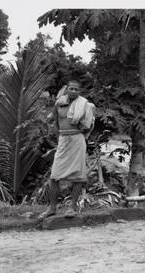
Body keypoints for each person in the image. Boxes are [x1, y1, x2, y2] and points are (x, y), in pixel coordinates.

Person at [38, 80, 95, 220]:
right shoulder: (59, 104)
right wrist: (61, 137)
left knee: (78, 176)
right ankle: (52, 208)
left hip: (77, 140)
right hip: (64, 140)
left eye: (76, 89)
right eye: (71, 88)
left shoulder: (84, 105)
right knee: (54, 175)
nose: (74, 91)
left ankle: (72, 207)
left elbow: (88, 124)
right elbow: (56, 122)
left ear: (79, 91)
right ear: (67, 89)